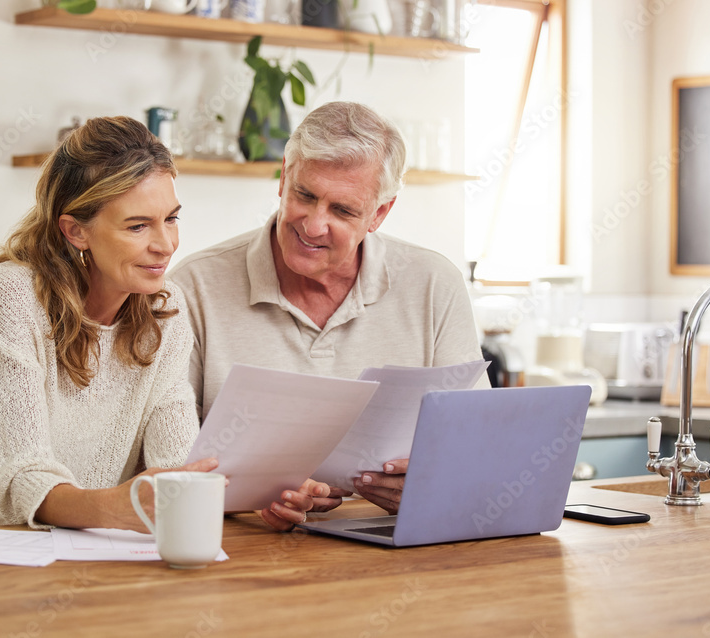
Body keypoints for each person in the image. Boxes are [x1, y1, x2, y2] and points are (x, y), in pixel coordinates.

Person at [0, 116, 316, 533]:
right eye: (138, 226)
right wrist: (115, 508)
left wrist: (251, 497)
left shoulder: (164, 310)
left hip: (76, 552)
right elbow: (23, 475)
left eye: (171, 219)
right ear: (76, 231)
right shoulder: (12, 297)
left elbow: (179, 463)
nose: (165, 245)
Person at [170, 102, 487, 516]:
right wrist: (248, 494)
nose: (314, 225)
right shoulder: (193, 286)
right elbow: (169, 459)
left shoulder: (434, 284)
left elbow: (476, 440)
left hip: (390, 544)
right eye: (305, 195)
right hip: (241, 547)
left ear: (378, 214)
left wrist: (435, 478)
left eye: (342, 210)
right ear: (284, 178)